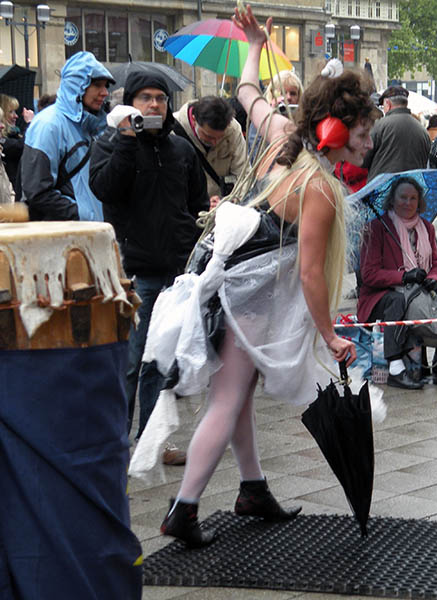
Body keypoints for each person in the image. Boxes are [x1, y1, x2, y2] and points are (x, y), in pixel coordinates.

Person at [157, 4, 378, 547]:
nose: (369, 143)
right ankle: (184, 509)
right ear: (334, 128)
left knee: (237, 394)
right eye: (364, 132)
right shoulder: (318, 187)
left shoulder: (282, 134)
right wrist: (329, 334)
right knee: (229, 399)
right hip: (245, 300)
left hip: (232, 289)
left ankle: (252, 488)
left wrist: (254, 45)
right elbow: (310, 274)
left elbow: (248, 92)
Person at [89, 69, 209, 464]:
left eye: (160, 97)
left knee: (161, 362)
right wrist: (126, 139)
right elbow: (104, 189)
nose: (154, 104)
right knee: (129, 362)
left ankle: (152, 441)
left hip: (175, 272)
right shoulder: (110, 143)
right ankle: (116, 443)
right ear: (131, 103)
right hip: (133, 271)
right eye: (146, 98)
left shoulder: (181, 149)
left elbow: (194, 205)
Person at [358, 177, 437, 390]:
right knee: (398, 301)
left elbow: (436, 265)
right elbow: (369, 274)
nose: (408, 202)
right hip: (380, 297)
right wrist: (403, 277)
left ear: (419, 201)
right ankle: (395, 366)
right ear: (392, 200)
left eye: (413, 198)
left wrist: (434, 280)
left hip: (417, 293)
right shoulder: (376, 228)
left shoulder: (427, 228)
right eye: (403, 197)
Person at [20, 51, 113, 221]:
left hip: (90, 229)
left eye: (106, 86)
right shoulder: (48, 124)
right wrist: (83, 216)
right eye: (97, 85)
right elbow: (38, 191)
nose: (105, 92)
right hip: (66, 232)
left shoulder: (93, 125)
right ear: (77, 85)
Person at [173, 95, 247, 208]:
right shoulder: (172, 131)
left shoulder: (233, 129)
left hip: (225, 209)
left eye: (220, 137)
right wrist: (200, 205)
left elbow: (243, 174)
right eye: (209, 136)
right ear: (194, 120)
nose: (214, 142)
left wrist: (234, 203)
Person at [362, 84, 430, 181]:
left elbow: (363, 160)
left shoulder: (379, 126)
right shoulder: (423, 131)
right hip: (413, 187)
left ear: (388, 104)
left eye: (383, 106)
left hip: (383, 187)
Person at [0, 94, 24, 200]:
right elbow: (20, 147)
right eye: (11, 112)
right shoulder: (3, 141)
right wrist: (30, 124)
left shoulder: (16, 134)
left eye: (15, 112)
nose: (16, 116)